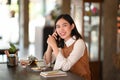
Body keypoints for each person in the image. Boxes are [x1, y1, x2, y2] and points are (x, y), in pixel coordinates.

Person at [43, 14, 91, 80]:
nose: (61, 29)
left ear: (72, 26)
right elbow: (47, 62)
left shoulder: (79, 43)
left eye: (64, 25)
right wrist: (50, 44)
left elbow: (66, 66)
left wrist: (54, 45)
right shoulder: (62, 43)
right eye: (58, 27)